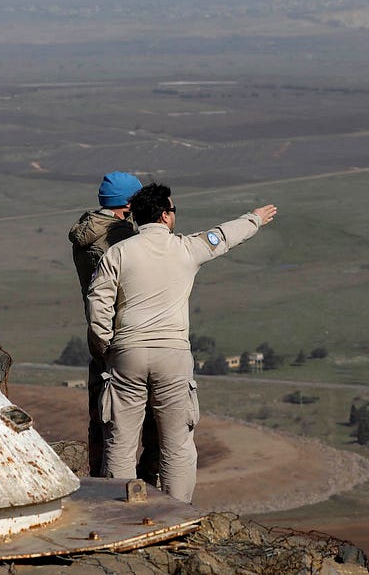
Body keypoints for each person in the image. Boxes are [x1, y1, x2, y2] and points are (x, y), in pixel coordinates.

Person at [88, 183, 277, 502]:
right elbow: (222, 236)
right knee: (176, 443)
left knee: (120, 441)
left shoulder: (118, 253)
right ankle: (176, 511)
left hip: (127, 353)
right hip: (173, 357)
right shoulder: (186, 248)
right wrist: (254, 219)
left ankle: (119, 511)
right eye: (173, 210)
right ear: (165, 216)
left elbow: (98, 301)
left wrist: (105, 346)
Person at [68, 171, 159, 482]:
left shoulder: (88, 230)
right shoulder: (118, 240)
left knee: (103, 422)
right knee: (142, 424)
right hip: (127, 340)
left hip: (100, 339)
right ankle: (142, 490)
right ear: (129, 205)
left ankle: (101, 486)